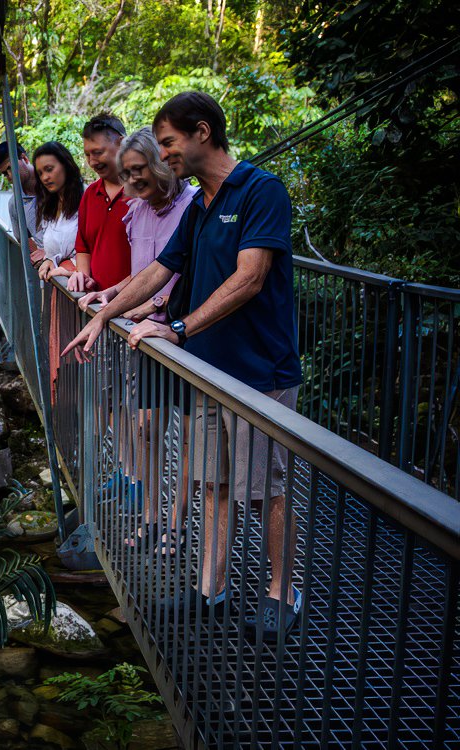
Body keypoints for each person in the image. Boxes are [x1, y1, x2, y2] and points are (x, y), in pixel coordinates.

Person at [61, 92, 303, 641]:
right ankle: (210, 591)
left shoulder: (261, 191)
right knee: (212, 483)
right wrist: (104, 318)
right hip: (206, 370)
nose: (163, 153)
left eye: (168, 142)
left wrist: (180, 327)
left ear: (201, 132)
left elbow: (250, 278)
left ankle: (281, 590)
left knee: (264, 488)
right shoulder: (203, 205)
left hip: (257, 372)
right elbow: (160, 269)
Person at [79, 127, 196, 552]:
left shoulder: (191, 206)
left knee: (184, 435)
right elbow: (144, 270)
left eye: (139, 169)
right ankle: (150, 515)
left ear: (159, 162)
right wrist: (112, 293)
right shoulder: (139, 209)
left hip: (179, 332)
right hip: (142, 336)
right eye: (127, 173)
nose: (133, 179)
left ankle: (177, 524)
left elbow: (183, 270)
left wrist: (156, 303)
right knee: (146, 429)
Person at [28, 141, 84, 398]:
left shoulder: (86, 203)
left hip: (81, 297)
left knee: (85, 363)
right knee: (68, 362)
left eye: (49, 169)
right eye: (40, 173)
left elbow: (90, 254)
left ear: (67, 165)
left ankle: (89, 429)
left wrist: (68, 269)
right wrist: (50, 260)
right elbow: (53, 250)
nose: (45, 177)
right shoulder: (52, 207)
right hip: (61, 296)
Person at [67, 114, 131, 295]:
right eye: (87, 155)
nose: (92, 162)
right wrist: (83, 276)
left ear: (121, 143)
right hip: (94, 303)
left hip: (133, 310)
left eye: (98, 152)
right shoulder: (90, 194)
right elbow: (83, 247)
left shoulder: (142, 194)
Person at [0, 141, 37, 242]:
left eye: (10, 168)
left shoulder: (54, 184)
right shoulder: (15, 204)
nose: (10, 176)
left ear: (24, 158)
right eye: (4, 174)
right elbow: (24, 241)